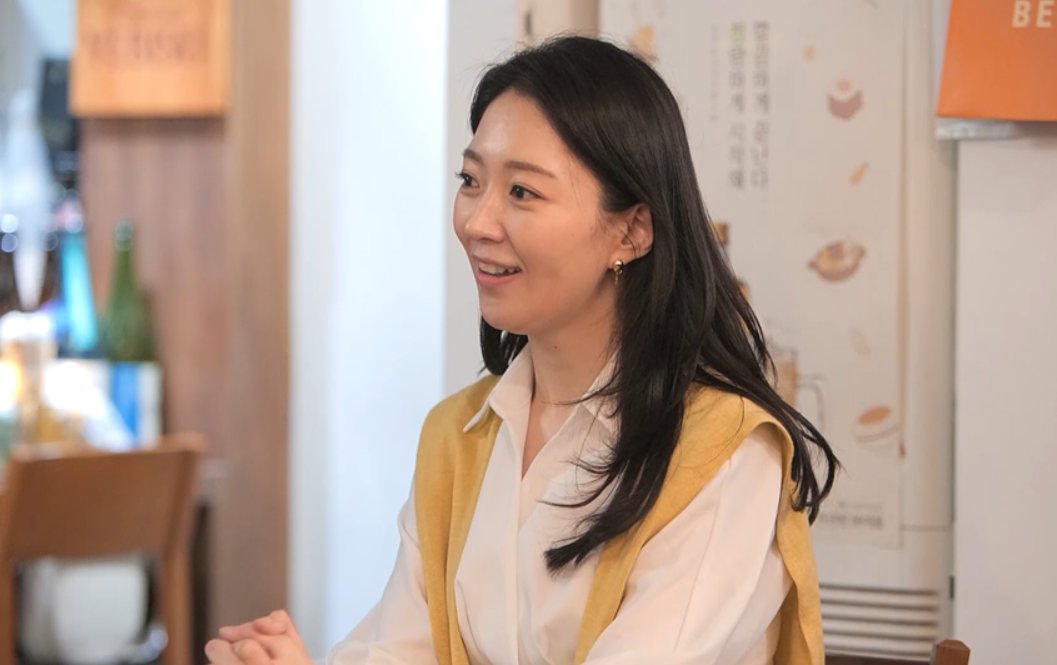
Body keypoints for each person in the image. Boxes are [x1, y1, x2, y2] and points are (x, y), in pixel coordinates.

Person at [206, 35, 837, 665]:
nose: (477, 223)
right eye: (470, 180)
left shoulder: (725, 454)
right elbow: (401, 647)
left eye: (522, 192)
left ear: (631, 231)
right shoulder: (458, 435)